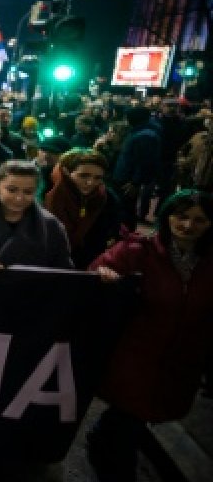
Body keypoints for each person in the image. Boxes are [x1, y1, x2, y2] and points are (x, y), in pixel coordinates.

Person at [88, 190, 213, 482]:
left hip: (182, 358)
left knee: (134, 414)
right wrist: (104, 277)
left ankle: (101, 440)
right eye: (181, 216)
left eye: (199, 220)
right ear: (167, 215)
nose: (188, 226)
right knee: (129, 414)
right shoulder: (137, 251)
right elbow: (95, 274)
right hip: (135, 353)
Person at [0, 160, 74, 271]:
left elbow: (63, 274)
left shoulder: (51, 226)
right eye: (12, 190)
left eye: (28, 192)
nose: (19, 198)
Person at [44, 148, 122, 268]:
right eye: (83, 176)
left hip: (90, 264)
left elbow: (111, 234)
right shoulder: (47, 190)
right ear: (66, 171)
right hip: (49, 261)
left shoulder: (107, 199)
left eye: (98, 178)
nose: (91, 182)